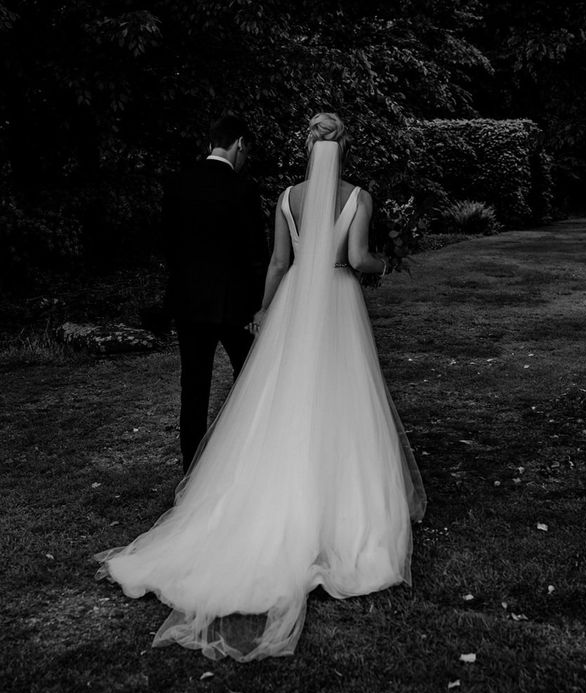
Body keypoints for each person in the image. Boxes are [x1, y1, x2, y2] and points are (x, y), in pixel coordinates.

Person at [96, 112, 426, 662]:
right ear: (342, 150)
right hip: (339, 303)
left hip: (295, 300)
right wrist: (387, 260)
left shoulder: (286, 198)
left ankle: (267, 499)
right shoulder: (359, 198)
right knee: (342, 399)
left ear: (307, 149)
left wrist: (267, 311)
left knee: (283, 400)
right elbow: (356, 258)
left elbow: (277, 261)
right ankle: (340, 510)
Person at [161, 114, 269, 473]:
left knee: (194, 389)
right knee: (252, 381)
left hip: (189, 305)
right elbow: (256, 256)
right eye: (246, 151)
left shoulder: (177, 184)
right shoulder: (244, 189)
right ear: (239, 143)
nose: (246, 158)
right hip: (234, 307)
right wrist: (258, 307)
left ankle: (191, 471)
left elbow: (168, 248)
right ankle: (248, 460)